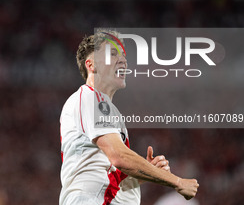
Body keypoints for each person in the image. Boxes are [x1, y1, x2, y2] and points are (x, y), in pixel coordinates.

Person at [59, 31, 199, 205]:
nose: (123, 60)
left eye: (123, 55)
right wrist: (177, 182)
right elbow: (119, 157)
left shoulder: (105, 109)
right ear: (91, 65)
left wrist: (147, 172)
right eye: (112, 53)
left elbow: (112, 176)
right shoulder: (91, 98)